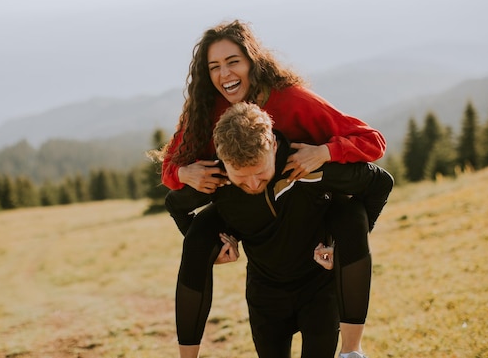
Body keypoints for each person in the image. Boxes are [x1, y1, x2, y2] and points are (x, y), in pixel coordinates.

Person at [160, 20, 386, 358]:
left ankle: (353, 350)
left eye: (233, 61)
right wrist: (185, 173)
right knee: (200, 238)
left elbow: (373, 142)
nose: (225, 74)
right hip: (250, 227)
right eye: (214, 67)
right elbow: (169, 172)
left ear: (252, 61)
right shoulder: (205, 112)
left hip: (309, 204)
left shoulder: (291, 100)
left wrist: (324, 152)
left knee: (349, 214)